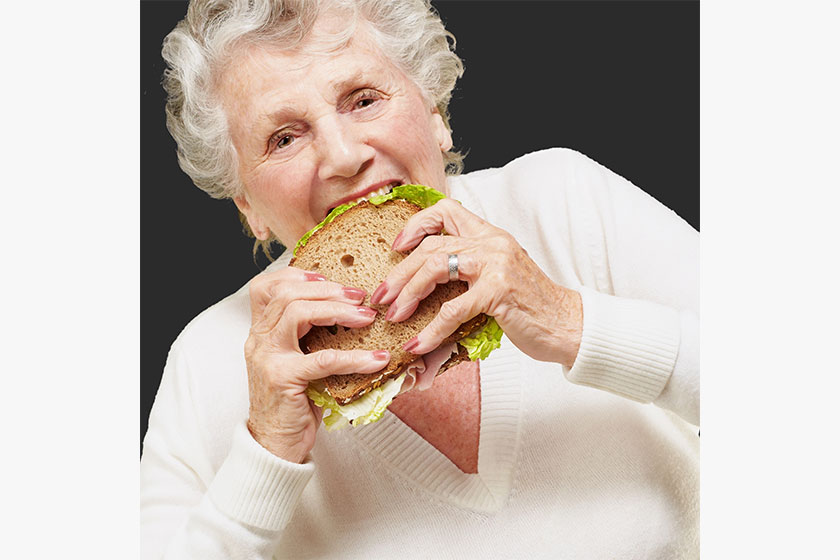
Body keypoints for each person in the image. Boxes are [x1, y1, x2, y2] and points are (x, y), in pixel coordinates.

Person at [140, 0, 699, 558]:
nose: (342, 155)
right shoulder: (208, 360)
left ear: (434, 112)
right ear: (247, 205)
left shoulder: (560, 204)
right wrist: (270, 448)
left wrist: (567, 319)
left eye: (363, 100)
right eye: (284, 138)